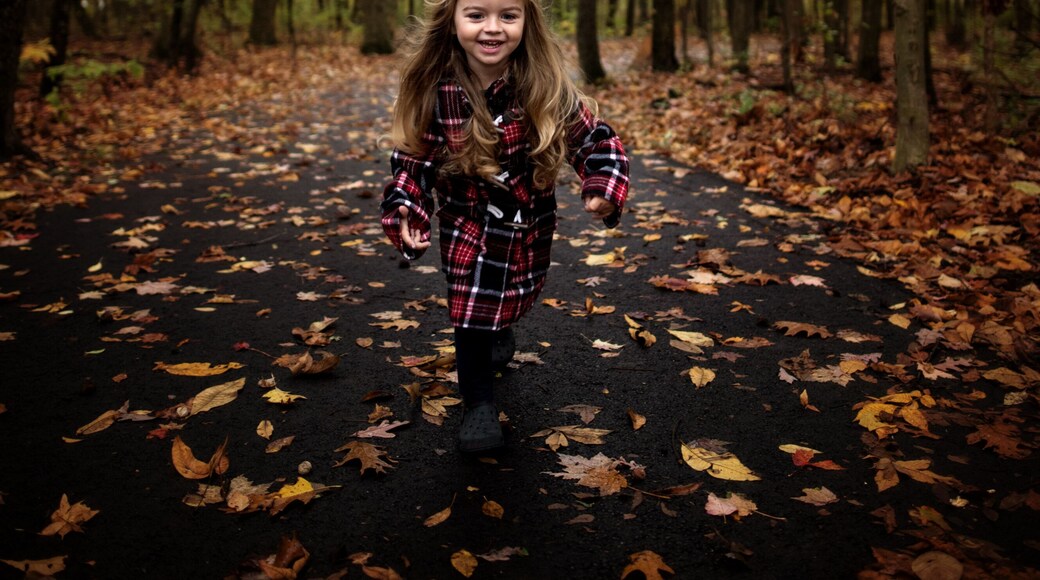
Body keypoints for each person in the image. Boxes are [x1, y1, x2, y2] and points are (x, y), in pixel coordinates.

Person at [380, 0, 630, 453]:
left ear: (526, 22)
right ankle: (477, 402)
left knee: (513, 294)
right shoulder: (436, 91)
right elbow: (411, 162)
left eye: (507, 16)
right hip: (467, 221)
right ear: (452, 22)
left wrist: (601, 183)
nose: (492, 29)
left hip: (527, 223)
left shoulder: (544, 85)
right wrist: (407, 208)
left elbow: (594, 139)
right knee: (471, 304)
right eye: (476, 15)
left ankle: (501, 327)